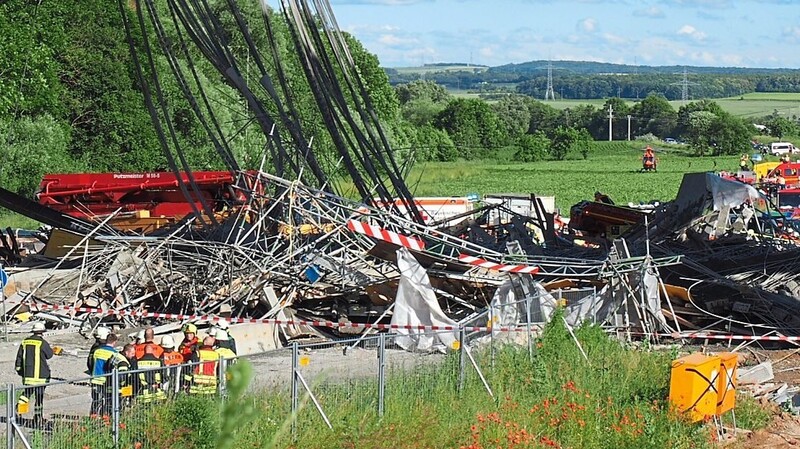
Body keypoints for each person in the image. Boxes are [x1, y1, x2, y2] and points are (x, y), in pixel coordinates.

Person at [15, 322, 53, 422]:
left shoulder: (25, 342)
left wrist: (19, 370)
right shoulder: (42, 343)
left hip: (28, 375)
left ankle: (19, 411)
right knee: (39, 398)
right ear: (42, 332)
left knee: (26, 394)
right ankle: (37, 418)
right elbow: (49, 355)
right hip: (41, 376)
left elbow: (19, 358)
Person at [90, 333, 121, 416]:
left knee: (95, 401)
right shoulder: (115, 354)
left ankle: (93, 418)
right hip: (106, 380)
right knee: (107, 401)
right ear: (114, 342)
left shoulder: (97, 351)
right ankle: (105, 418)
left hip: (95, 379)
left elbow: (90, 364)